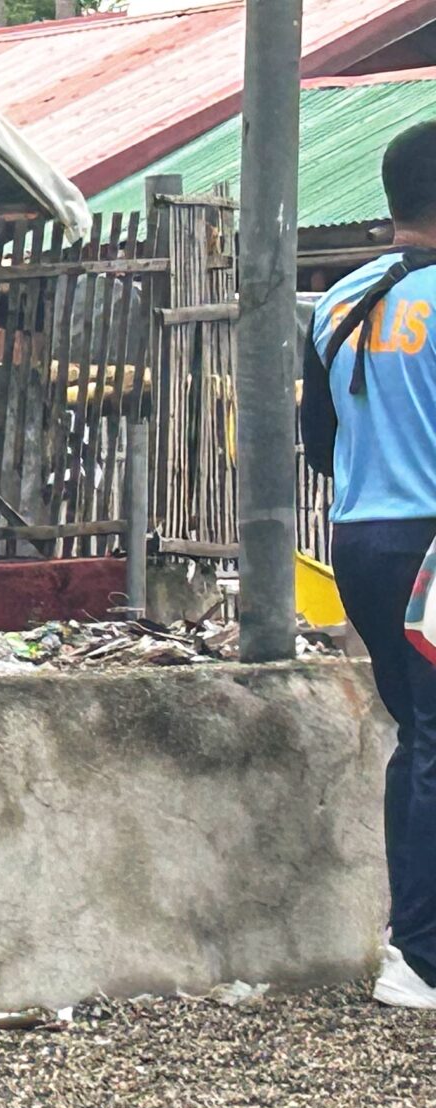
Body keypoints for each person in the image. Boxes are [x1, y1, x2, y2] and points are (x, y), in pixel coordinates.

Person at [306, 117, 436, 1010]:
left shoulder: (338, 299)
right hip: (433, 544)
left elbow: (320, 445)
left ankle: (413, 950)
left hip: (362, 544)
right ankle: (422, 956)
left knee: (420, 736)